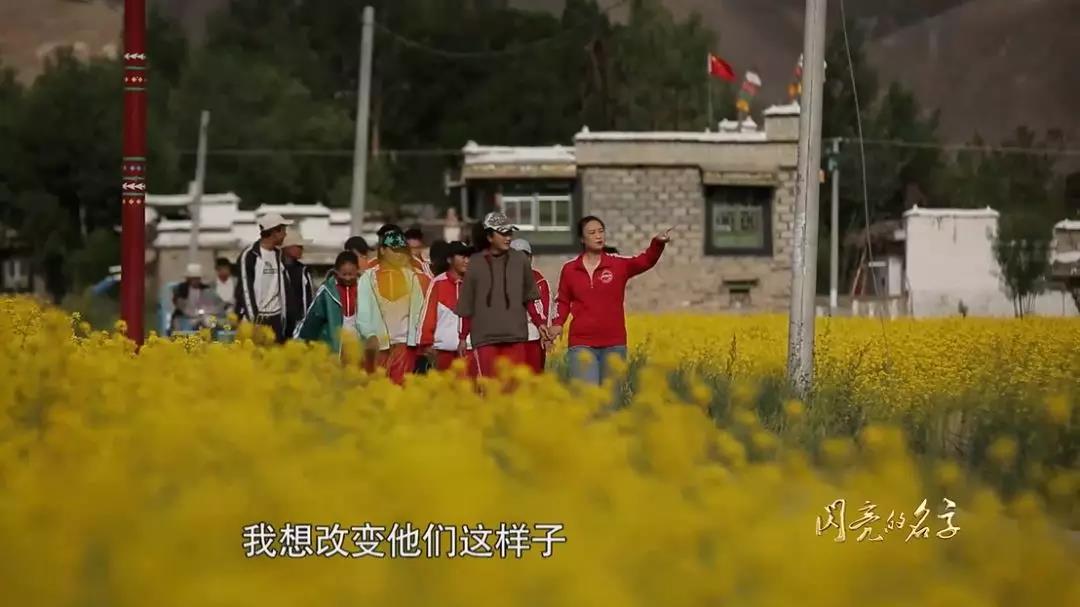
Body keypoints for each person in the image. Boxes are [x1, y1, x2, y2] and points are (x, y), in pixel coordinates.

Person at [548, 216, 672, 385]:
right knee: (587, 396)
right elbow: (562, 300)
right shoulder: (570, 269)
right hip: (581, 343)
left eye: (601, 231)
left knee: (611, 399)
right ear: (582, 239)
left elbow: (644, 261)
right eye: (592, 233)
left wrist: (657, 243)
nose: (598, 236)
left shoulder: (618, 264)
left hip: (614, 344)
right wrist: (557, 323)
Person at [456, 212, 547, 379]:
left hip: (515, 337)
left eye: (510, 233)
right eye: (503, 233)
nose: (508, 237)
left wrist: (540, 322)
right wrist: (462, 336)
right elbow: (467, 305)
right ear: (490, 236)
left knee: (514, 385)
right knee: (490, 386)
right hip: (485, 339)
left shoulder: (520, 261)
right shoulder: (475, 264)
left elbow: (530, 297)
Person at [356, 228, 426, 384]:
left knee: (401, 391)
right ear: (382, 250)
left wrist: (417, 340)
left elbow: (419, 311)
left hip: (405, 346)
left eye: (401, 250)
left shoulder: (411, 277)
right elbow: (363, 313)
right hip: (378, 346)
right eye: (394, 250)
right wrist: (370, 335)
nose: (398, 254)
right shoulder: (368, 278)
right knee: (376, 389)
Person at [418, 241, 473, 373]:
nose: (467, 260)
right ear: (449, 259)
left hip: (470, 350)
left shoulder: (476, 283)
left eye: (468, 256)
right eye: (462, 256)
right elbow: (428, 315)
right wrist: (426, 343)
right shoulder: (437, 283)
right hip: (442, 351)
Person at [236, 213, 291, 343]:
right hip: (256, 320)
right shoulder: (249, 256)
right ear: (275, 231)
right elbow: (245, 291)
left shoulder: (279, 255)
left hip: (276, 318)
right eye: (283, 230)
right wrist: (254, 320)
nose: (285, 234)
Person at [293, 251, 360, 357]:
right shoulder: (327, 292)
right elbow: (312, 319)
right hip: (333, 349)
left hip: (358, 347)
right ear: (336, 272)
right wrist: (299, 343)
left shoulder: (365, 288)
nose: (347, 278)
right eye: (344, 274)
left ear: (357, 271)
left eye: (351, 274)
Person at [509, 238, 551, 374]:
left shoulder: (539, 281)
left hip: (533, 339)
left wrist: (545, 333)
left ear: (530, 258)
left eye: (524, 256)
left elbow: (544, 311)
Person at [172, 262, 224, 333]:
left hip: (202, 316)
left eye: (197, 278)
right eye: (193, 278)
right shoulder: (181, 289)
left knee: (211, 321)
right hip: (184, 317)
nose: (196, 280)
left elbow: (216, 303)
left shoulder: (206, 289)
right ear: (188, 279)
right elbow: (178, 303)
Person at [281, 228, 314, 339]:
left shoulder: (303, 271)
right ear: (287, 248)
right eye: (298, 246)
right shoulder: (276, 269)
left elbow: (309, 298)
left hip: (297, 324)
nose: (302, 249)